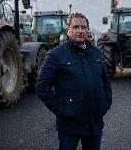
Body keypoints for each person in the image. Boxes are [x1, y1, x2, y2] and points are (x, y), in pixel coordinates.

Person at [36, 12, 112, 150]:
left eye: (83, 27)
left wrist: (105, 104)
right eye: (76, 27)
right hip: (70, 125)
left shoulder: (95, 52)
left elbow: (105, 80)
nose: (80, 31)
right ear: (68, 30)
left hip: (94, 123)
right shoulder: (55, 55)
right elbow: (42, 87)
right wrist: (62, 111)